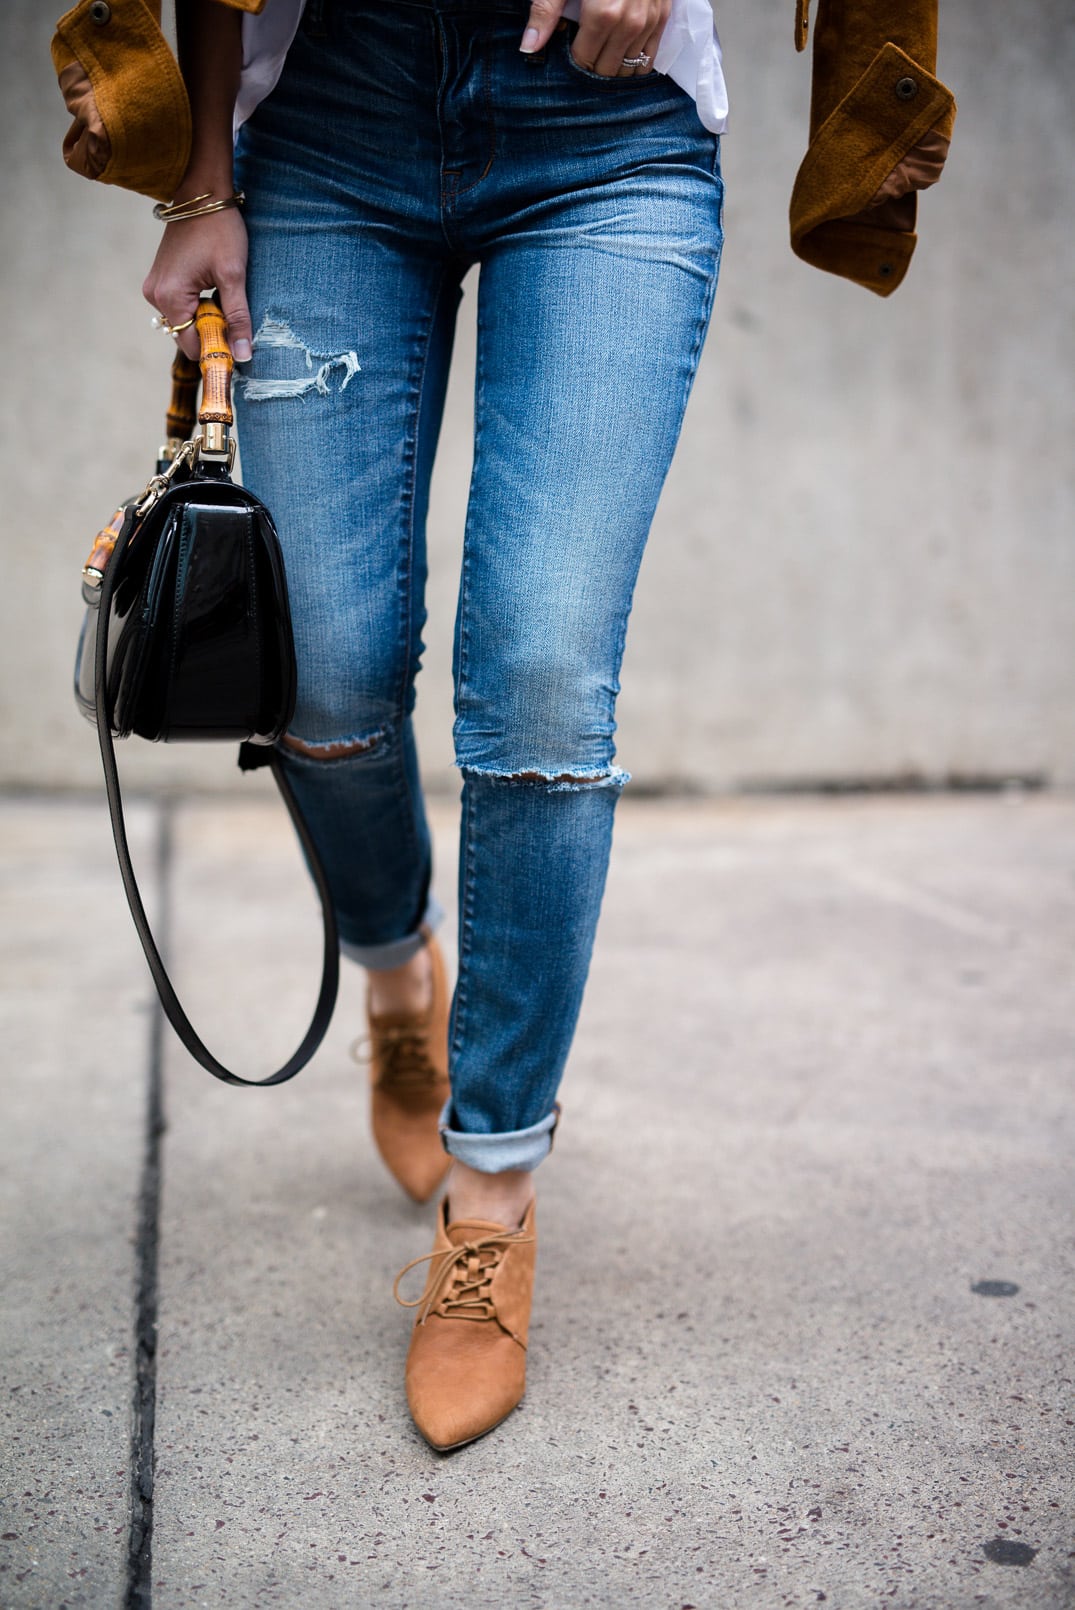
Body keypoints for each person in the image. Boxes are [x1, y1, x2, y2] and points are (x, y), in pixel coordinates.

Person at [51, 0, 954, 1451]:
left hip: (606, 126)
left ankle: (494, 1193)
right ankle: (399, 967)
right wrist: (204, 173)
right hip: (335, 108)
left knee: (541, 674)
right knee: (326, 674)